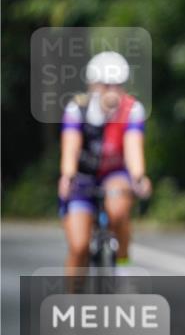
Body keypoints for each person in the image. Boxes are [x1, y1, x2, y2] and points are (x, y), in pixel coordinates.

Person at [58, 51, 151, 273]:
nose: (113, 91)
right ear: (93, 86)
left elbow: (133, 147)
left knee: (118, 212)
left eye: (118, 85)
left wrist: (139, 177)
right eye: (106, 85)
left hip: (114, 173)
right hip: (83, 177)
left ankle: (123, 264)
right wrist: (67, 176)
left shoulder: (132, 109)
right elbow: (70, 148)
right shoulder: (77, 109)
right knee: (79, 246)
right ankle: (72, 294)